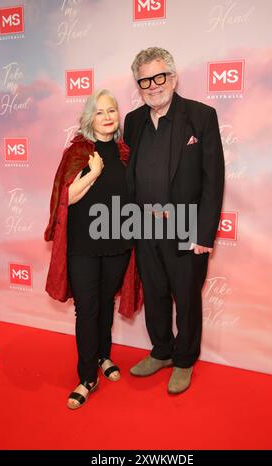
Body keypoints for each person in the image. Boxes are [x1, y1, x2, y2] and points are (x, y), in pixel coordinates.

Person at [124, 47, 225, 394]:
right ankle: (161, 351)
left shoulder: (201, 116)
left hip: (186, 226)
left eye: (159, 77)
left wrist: (204, 233)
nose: (153, 86)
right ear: (138, 85)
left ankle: (184, 360)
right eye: (144, 81)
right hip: (143, 225)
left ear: (173, 77)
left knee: (186, 296)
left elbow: (214, 180)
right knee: (154, 294)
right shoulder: (133, 122)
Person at [45, 89, 138, 410]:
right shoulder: (78, 152)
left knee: (104, 304)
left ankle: (103, 355)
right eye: (100, 112)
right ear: (89, 118)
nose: (108, 116)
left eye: (111, 110)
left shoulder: (126, 152)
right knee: (87, 309)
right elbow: (64, 200)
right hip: (82, 246)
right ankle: (87, 376)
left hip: (118, 244)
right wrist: (93, 173)